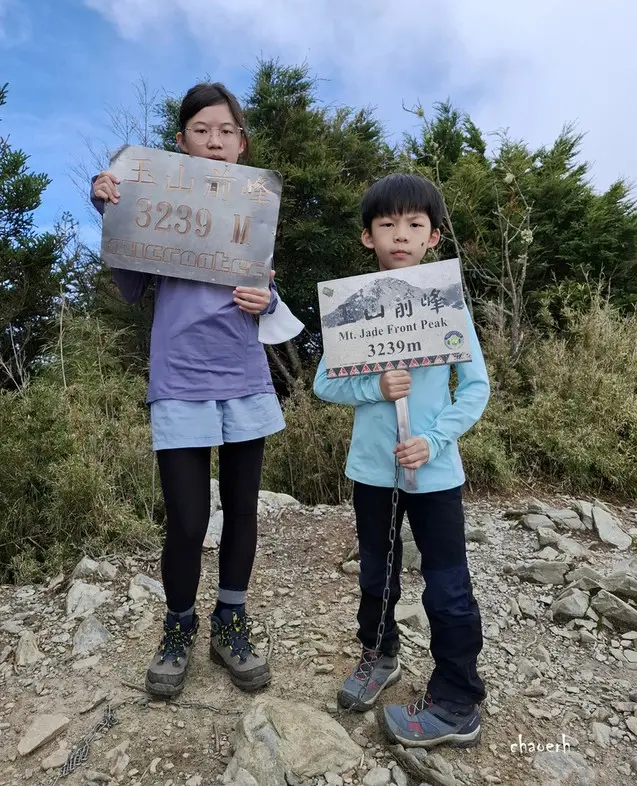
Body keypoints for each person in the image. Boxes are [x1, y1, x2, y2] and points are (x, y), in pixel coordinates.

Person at [91, 82, 285, 697]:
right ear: (181, 142)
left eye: (226, 131)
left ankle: (230, 620)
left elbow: (267, 292)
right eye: (202, 130)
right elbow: (130, 285)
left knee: (243, 509)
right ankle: (178, 626)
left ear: (241, 143)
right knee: (187, 518)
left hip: (244, 375)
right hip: (178, 379)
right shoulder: (158, 201)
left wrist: (267, 298)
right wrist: (111, 209)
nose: (215, 141)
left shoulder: (254, 207)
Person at [313, 173, 490, 748]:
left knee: (447, 586)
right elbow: (324, 383)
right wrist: (375, 386)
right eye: (387, 224)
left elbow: (475, 389)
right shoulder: (352, 309)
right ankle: (379, 654)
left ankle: (458, 698)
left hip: (435, 474)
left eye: (415, 224)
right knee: (375, 573)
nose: (401, 235)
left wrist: (434, 441)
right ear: (368, 236)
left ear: (433, 237)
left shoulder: (448, 305)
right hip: (372, 471)